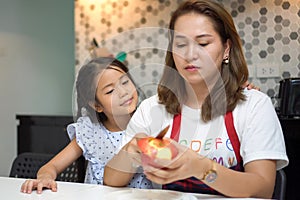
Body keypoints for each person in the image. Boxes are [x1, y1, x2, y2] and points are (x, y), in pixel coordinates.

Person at [103, 0, 288, 198]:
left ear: (226, 48)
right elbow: (111, 180)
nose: (190, 55)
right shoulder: (151, 109)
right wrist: (131, 151)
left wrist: (200, 168)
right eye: (181, 45)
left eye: (203, 43)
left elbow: (263, 189)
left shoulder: (254, 106)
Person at [20, 57, 152, 194]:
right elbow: (51, 166)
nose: (124, 92)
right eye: (110, 91)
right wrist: (45, 178)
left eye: (125, 82)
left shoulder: (149, 125)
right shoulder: (90, 132)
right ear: (97, 105)